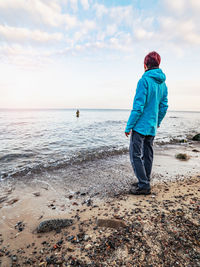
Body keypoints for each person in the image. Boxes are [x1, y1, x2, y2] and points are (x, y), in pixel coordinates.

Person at [125, 51, 168, 195]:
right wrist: (157, 122)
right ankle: (145, 180)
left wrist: (129, 126)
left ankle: (143, 185)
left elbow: (138, 107)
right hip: (151, 126)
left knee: (135, 154)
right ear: (158, 64)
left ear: (145, 65)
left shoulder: (144, 81)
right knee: (148, 154)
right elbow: (164, 106)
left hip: (140, 126)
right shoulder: (163, 84)